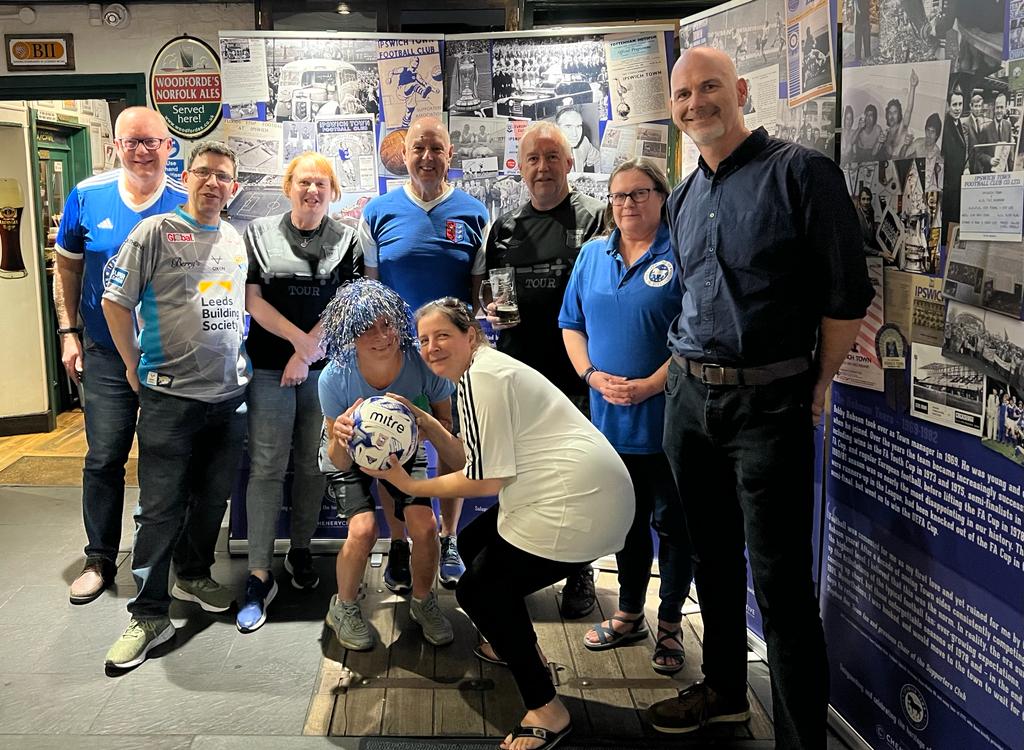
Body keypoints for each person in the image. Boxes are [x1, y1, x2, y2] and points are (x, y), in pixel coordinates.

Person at [647, 47, 873, 747]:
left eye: (709, 87)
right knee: (711, 559)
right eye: (683, 94)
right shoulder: (682, 198)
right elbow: (692, 298)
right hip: (688, 399)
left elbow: (846, 297)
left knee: (781, 590)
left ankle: (801, 740)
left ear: (740, 90)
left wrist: (822, 381)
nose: (695, 103)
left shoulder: (802, 174)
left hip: (769, 406)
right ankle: (723, 692)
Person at [368, 298, 633, 750]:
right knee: (473, 540)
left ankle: (548, 710)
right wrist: (425, 422)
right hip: (578, 494)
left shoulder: (483, 378)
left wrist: (405, 485)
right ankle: (517, 648)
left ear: (471, 334)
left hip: (577, 505)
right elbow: (471, 458)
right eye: (425, 339)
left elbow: (484, 479)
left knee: (478, 590)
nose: (432, 347)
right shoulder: (481, 372)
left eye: (443, 336)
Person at [101, 141, 251, 669]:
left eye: (223, 177)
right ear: (186, 178)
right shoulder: (156, 232)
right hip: (169, 397)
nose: (213, 183)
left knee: (212, 501)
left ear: (233, 188)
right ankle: (148, 614)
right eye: (205, 174)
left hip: (228, 399)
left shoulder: (234, 238)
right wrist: (130, 363)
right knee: (159, 510)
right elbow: (114, 302)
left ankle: (192, 576)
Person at [558, 158, 693, 675]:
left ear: (662, 196)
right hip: (608, 423)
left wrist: (650, 385)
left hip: (669, 419)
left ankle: (672, 625)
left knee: (674, 526)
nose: (627, 204)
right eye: (618, 196)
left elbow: (694, 332)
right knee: (629, 524)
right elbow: (571, 324)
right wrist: (591, 376)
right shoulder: (593, 255)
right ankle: (630, 613)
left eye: (639, 193)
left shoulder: (679, 253)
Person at [54, 106, 186, 605]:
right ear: (115, 146)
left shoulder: (185, 201)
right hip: (106, 355)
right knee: (105, 455)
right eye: (131, 142)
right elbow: (64, 269)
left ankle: (162, 560)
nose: (142, 151)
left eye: (152, 141)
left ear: (168, 146)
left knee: (164, 458)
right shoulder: (87, 196)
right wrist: (69, 333)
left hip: (168, 356)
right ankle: (100, 557)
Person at [475, 120, 607, 620]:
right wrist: (496, 315)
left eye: (553, 157)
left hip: (581, 373)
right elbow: (501, 299)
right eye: (533, 158)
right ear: (520, 167)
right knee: (522, 475)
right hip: (520, 375)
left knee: (576, 475)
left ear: (570, 162)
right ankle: (521, 562)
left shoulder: (597, 218)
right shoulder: (504, 229)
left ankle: (579, 569)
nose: (543, 167)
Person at [358, 116, 488, 592]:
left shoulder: (475, 212)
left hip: (452, 358)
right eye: (419, 149)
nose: (428, 158)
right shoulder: (377, 211)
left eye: (437, 149)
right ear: (403, 155)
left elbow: (478, 294)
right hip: (396, 355)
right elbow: (371, 293)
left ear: (449, 155)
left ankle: (450, 537)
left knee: (455, 445)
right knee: (387, 446)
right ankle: (398, 542)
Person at [235, 153, 363, 633]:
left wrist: (307, 354)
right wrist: (298, 344)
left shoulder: (347, 238)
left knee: (313, 462)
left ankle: (302, 552)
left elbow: (346, 304)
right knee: (267, 466)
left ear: (333, 191)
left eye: (322, 184)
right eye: (304, 182)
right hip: (269, 367)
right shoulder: (259, 235)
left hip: (324, 370)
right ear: (289, 187)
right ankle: (259, 573)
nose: (313, 191)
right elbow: (252, 299)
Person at [318, 279, 455, 650]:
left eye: (387, 324)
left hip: (405, 451)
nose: (382, 336)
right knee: (362, 530)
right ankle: (343, 607)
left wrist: (419, 429)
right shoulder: (335, 376)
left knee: (425, 527)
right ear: (349, 334)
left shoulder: (419, 360)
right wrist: (341, 435)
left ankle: (424, 601)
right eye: (366, 329)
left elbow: (446, 426)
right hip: (350, 452)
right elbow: (336, 458)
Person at [942, 87, 971, 225]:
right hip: (948, 186)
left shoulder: (959, 123)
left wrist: (966, 167)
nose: (958, 108)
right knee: (949, 220)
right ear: (948, 106)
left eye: (960, 104)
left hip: (957, 183)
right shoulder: (945, 127)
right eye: (954, 105)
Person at [881, 69, 919, 159]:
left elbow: (909, 109)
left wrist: (912, 86)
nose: (891, 116)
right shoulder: (886, 132)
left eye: (895, 112)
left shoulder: (902, 127)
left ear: (899, 114)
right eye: (889, 113)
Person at [555, 107, 599, 173]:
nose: (575, 134)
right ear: (557, 129)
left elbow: (598, 159)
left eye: (578, 126)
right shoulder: (548, 155)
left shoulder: (584, 142)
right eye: (568, 127)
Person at [980, 92, 1014, 172]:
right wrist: (990, 160)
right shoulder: (985, 128)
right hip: (989, 174)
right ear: (994, 109)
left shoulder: (1008, 125)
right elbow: (979, 154)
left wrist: (1011, 171)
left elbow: (1009, 152)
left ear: (1005, 109)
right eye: (997, 107)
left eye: (1001, 107)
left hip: (1004, 174)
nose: (999, 111)